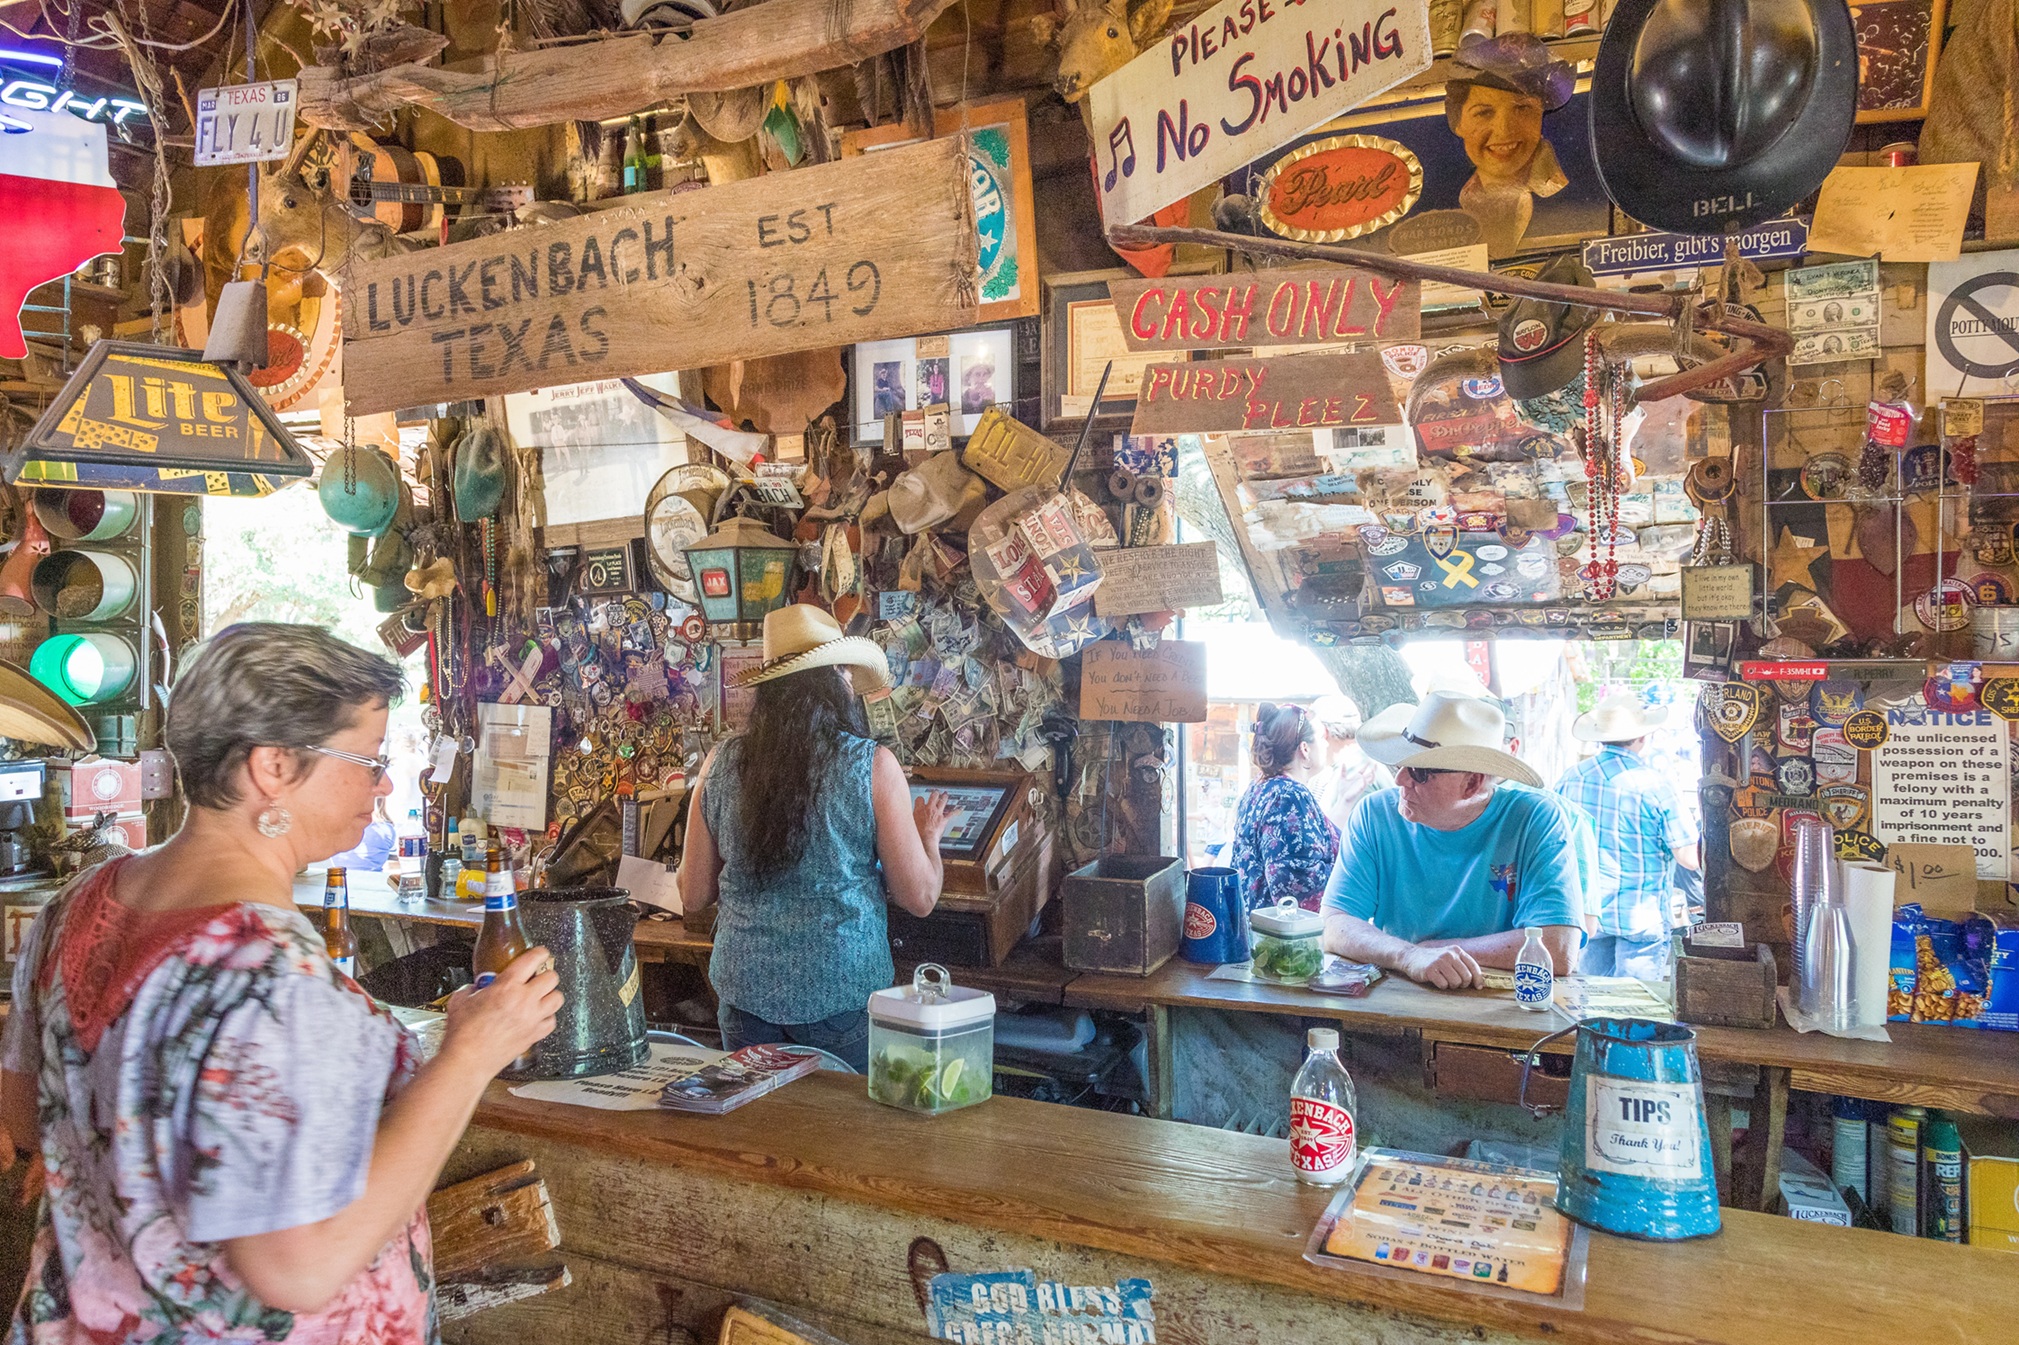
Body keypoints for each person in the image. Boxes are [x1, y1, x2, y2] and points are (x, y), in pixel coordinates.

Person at [0, 622, 561, 1339]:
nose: (383, 782)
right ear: (271, 766)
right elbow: (299, 1269)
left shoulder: (74, 904)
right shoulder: (269, 972)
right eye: (366, 759)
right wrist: (469, 1056)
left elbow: (24, 1115)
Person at [678, 604, 947, 1071]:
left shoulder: (720, 763)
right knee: (840, 1137)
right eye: (844, 672)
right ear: (834, 680)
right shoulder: (872, 765)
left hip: (746, 996)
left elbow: (693, 894)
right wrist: (929, 840)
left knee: (755, 1128)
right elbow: (920, 897)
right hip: (840, 994)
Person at [1321, 690, 1584, 988]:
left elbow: (1559, 947)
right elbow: (1334, 924)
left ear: (1472, 782)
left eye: (1419, 772)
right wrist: (1409, 957)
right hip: (1399, 1002)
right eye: (1400, 764)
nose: (1400, 780)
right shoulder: (1375, 814)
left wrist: (1436, 954)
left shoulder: (1534, 819)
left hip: (1501, 1011)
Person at [1553, 692, 1701, 978]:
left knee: (1591, 1006)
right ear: (1642, 738)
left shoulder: (1571, 778)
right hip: (1641, 921)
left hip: (1588, 914)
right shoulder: (1656, 786)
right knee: (1637, 1011)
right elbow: (1688, 858)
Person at [1444, 34, 1575, 257]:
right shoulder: (1451, 203)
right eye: (1483, 112)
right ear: (1457, 123)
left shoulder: (1573, 199)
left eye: (1522, 109)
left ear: (1540, 117)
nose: (1504, 131)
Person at [1227, 703, 1339, 912]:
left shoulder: (1259, 787)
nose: (1326, 744)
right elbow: (1295, 889)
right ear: (1304, 749)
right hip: (1280, 939)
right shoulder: (1289, 796)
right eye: (1322, 739)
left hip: (1255, 927)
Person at [1308, 694, 1395, 833]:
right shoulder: (1357, 765)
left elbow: (1345, 841)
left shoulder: (1356, 774)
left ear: (1323, 732)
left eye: (1309, 731)